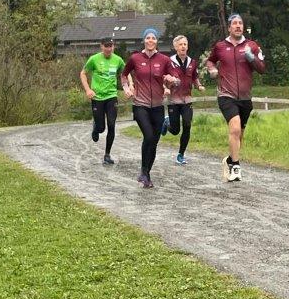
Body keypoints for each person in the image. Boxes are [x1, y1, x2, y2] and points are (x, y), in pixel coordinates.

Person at [205, 13, 266, 182]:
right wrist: (212, 70)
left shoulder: (252, 45)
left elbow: (262, 68)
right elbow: (210, 61)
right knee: (235, 129)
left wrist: (251, 57)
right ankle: (236, 167)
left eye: (240, 23)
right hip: (226, 95)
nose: (238, 26)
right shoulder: (220, 46)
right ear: (229, 27)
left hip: (245, 98)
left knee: (239, 135)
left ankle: (230, 159)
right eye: (235, 23)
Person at [121, 28, 179, 188]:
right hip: (140, 105)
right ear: (144, 40)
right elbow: (124, 75)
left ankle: (145, 173)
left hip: (158, 107)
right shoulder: (135, 58)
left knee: (154, 141)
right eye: (148, 38)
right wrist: (126, 88)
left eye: (153, 38)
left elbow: (177, 79)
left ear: (157, 41)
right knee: (148, 136)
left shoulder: (164, 59)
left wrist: (172, 80)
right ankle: (144, 172)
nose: (151, 40)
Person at [80, 37, 125, 165]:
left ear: (113, 46)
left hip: (111, 96)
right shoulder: (94, 59)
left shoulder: (118, 60)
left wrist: (130, 86)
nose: (109, 49)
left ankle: (107, 154)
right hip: (97, 97)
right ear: (101, 46)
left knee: (111, 124)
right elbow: (83, 73)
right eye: (106, 46)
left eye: (111, 46)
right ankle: (96, 127)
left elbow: (124, 73)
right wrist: (88, 90)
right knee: (101, 128)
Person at [167, 35, 204, 165]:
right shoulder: (169, 62)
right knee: (175, 130)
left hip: (187, 100)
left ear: (187, 47)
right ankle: (167, 123)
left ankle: (181, 154)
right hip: (173, 100)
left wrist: (199, 85)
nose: (183, 46)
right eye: (180, 44)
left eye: (185, 44)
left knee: (187, 125)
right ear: (175, 47)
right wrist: (166, 86)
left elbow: (195, 77)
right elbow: (163, 76)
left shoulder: (192, 62)